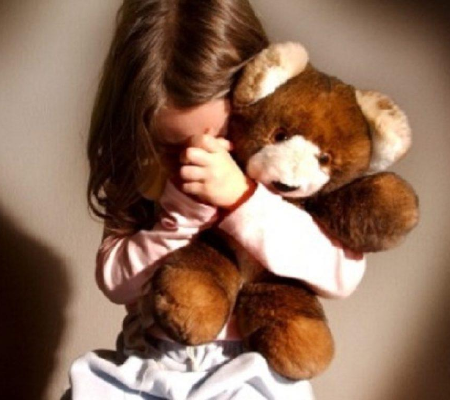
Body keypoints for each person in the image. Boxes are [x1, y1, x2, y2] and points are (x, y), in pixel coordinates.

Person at [65, 0, 366, 399]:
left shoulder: (285, 172)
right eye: (173, 147)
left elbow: (342, 276)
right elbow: (117, 284)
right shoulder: (148, 172)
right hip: (151, 361)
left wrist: (244, 201)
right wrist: (180, 218)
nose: (199, 158)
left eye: (221, 137)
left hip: (254, 367)